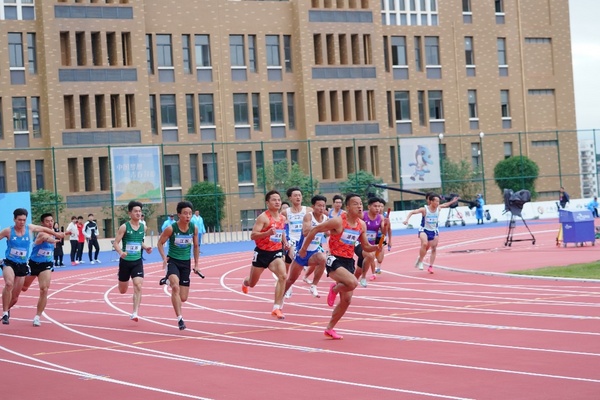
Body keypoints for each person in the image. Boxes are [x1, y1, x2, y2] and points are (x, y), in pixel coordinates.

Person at [298, 193, 381, 340]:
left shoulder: (361, 225)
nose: (360, 206)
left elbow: (366, 246)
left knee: (347, 300)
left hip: (348, 261)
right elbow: (315, 229)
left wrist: (376, 247)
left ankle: (329, 329)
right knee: (353, 282)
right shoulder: (337, 221)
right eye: (355, 204)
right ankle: (334, 289)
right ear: (347, 207)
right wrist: (304, 249)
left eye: (361, 203)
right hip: (334, 259)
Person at [0, 208, 64, 325]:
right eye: (19, 220)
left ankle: (27, 315)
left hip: (30, 265)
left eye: (24, 220)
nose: (22, 222)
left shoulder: (30, 228)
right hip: (19, 263)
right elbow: (45, 237)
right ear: (14, 219)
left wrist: (57, 234)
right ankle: (5, 312)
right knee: (13, 287)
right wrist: (53, 239)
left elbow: (46, 231)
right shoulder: (9, 231)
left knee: (26, 295)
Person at [241, 190, 289, 319]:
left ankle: (276, 308)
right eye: (274, 200)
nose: (277, 202)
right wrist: (266, 234)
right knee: (252, 282)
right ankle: (245, 283)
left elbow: (281, 232)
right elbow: (253, 235)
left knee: (283, 276)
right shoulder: (263, 218)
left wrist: (285, 242)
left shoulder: (282, 218)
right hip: (262, 253)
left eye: (279, 199)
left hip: (276, 252)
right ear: (267, 203)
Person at [157, 202, 201, 330]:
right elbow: (160, 243)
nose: (188, 216)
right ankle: (180, 319)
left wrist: (197, 264)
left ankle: (170, 280)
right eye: (185, 213)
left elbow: (196, 246)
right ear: (179, 214)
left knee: (183, 297)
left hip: (185, 263)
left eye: (190, 213)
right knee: (175, 287)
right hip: (173, 261)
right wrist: (164, 258)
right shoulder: (171, 228)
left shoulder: (194, 228)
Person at [17, 213, 62, 326]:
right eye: (47, 221)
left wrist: (61, 235)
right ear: (43, 223)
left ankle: (37, 317)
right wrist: (54, 240)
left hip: (46, 265)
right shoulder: (41, 234)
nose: (50, 223)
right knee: (23, 288)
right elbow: (46, 238)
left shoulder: (53, 233)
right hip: (33, 264)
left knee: (44, 289)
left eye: (51, 220)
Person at [113, 201, 153, 322]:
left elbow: (138, 241)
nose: (138, 213)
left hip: (137, 261)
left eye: (140, 211)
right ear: (130, 213)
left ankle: (135, 313)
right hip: (125, 262)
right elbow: (115, 243)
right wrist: (121, 253)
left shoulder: (143, 227)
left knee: (138, 285)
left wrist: (145, 247)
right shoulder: (124, 227)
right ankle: (120, 275)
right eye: (135, 211)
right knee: (122, 290)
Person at [284, 195, 328, 299]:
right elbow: (305, 232)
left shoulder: (325, 218)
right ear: (313, 206)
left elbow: (328, 233)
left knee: (323, 259)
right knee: (291, 279)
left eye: (323, 206)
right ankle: (280, 298)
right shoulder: (308, 216)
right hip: (302, 251)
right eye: (319, 206)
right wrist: (319, 227)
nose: (321, 208)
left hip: (314, 251)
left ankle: (313, 285)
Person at [403, 193, 459, 274]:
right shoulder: (424, 209)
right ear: (431, 201)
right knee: (424, 244)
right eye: (436, 201)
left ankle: (430, 266)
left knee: (434, 248)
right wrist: (406, 220)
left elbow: (446, 204)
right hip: (424, 230)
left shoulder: (438, 208)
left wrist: (452, 201)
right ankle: (421, 261)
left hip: (434, 231)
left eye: (438, 201)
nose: (437, 203)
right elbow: (412, 212)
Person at [282, 187, 312, 299]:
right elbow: (281, 228)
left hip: (305, 240)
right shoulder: (285, 212)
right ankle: (288, 285)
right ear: (290, 198)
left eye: (299, 195)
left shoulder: (308, 210)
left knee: (319, 259)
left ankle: (312, 284)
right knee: (292, 262)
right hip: (291, 241)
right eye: (295, 195)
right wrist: (285, 241)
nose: (298, 197)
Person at [355, 197, 386, 287]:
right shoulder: (363, 215)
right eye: (375, 206)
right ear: (369, 207)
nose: (377, 208)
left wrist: (386, 226)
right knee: (370, 255)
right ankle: (364, 278)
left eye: (379, 206)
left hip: (370, 245)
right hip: (359, 243)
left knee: (358, 272)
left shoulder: (380, 218)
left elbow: (384, 233)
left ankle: (346, 287)